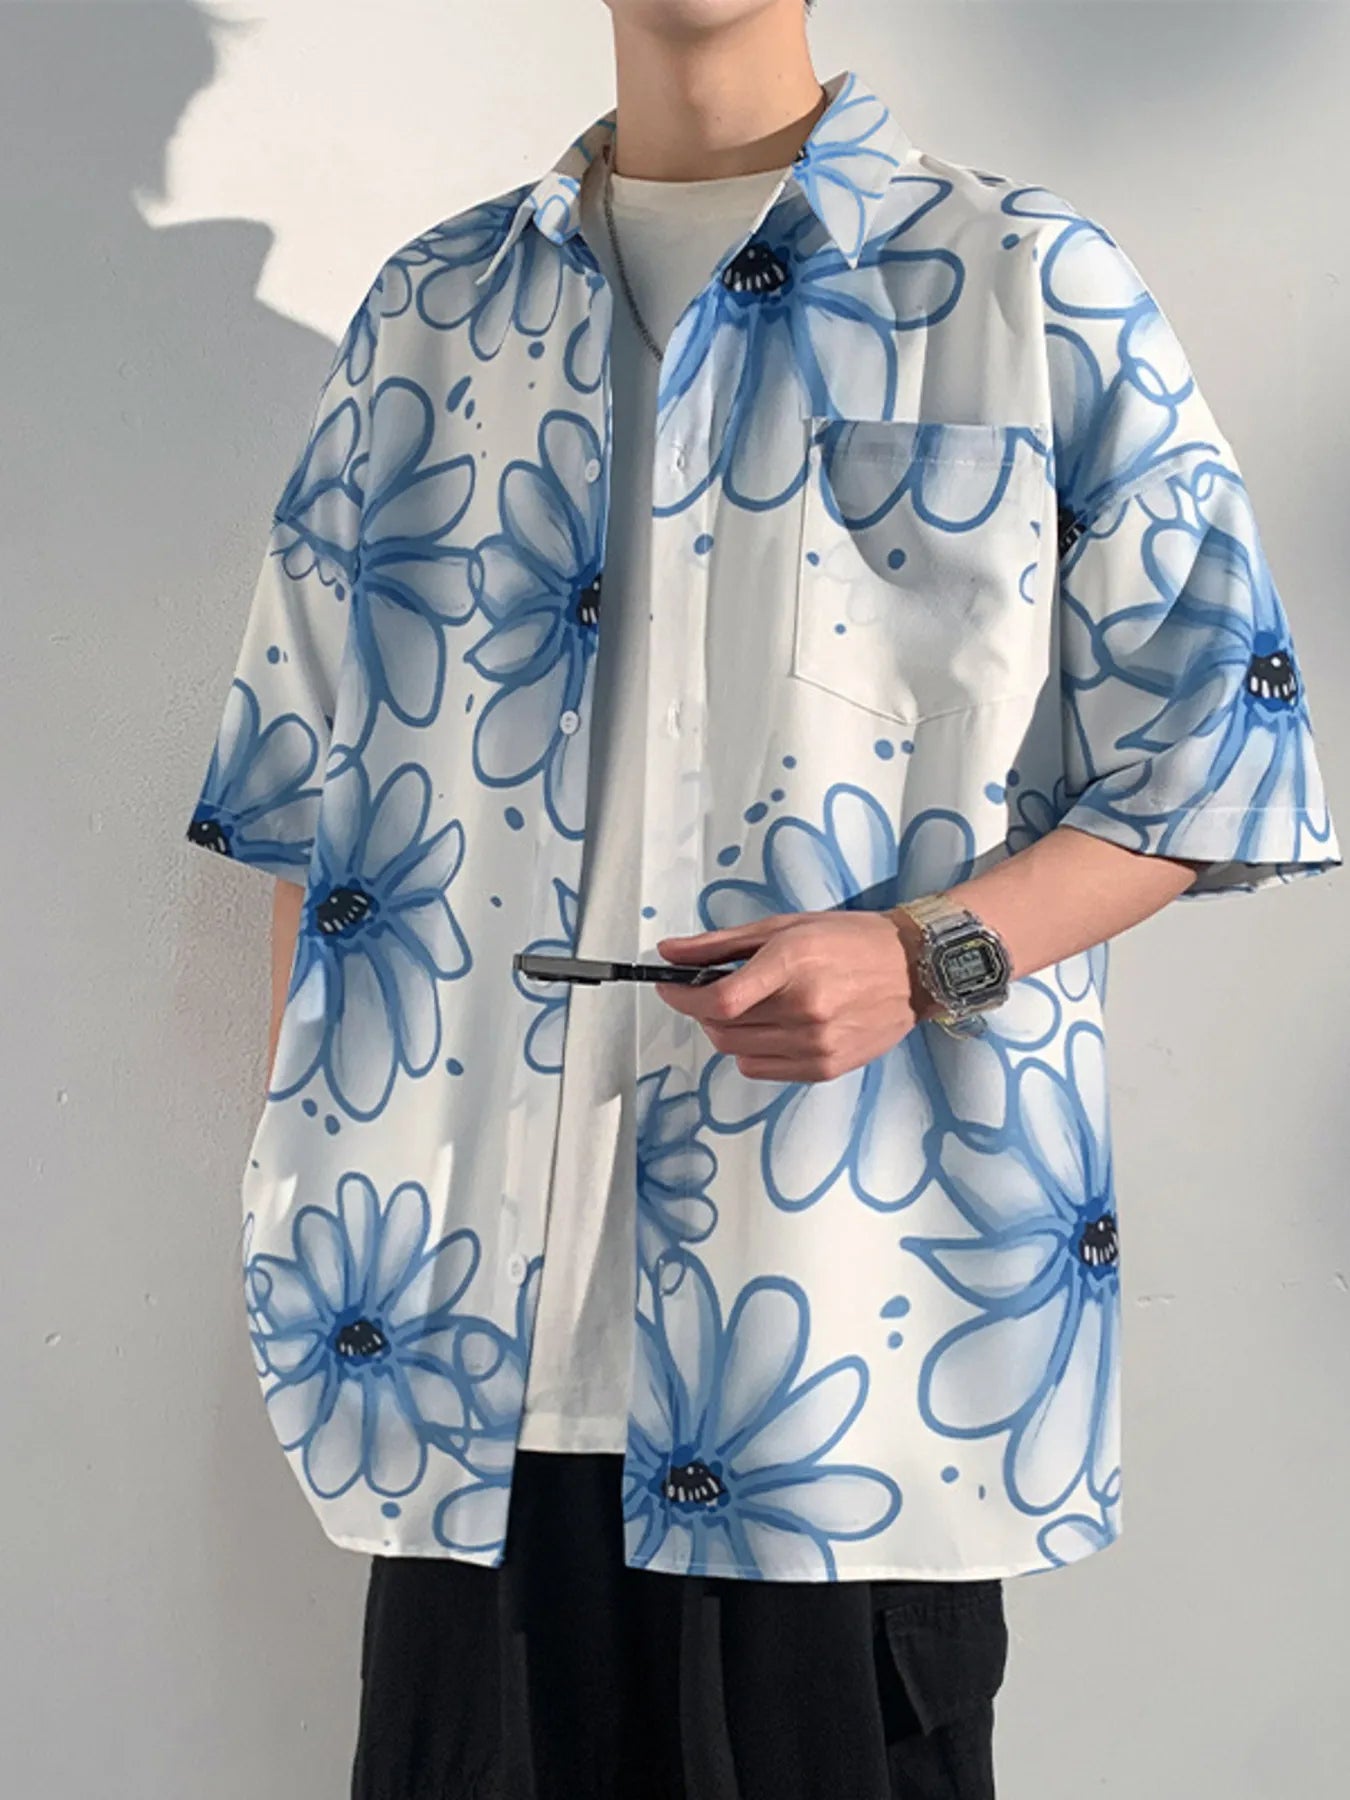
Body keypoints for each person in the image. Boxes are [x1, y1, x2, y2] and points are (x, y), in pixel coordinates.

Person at [183, 1, 1339, 1795]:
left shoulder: (1023, 284)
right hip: (458, 1378)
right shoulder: (436, 314)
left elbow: (1209, 759)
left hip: (847, 1362)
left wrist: (924, 956)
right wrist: (308, 1192)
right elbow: (301, 804)